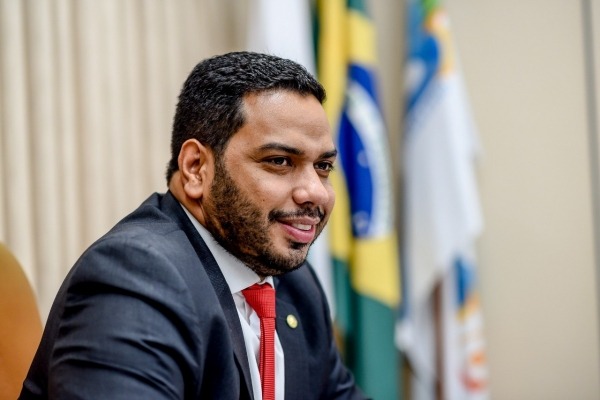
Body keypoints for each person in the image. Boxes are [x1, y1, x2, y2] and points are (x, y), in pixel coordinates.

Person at [20, 51, 369, 399]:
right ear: (196, 168)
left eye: (323, 167)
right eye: (279, 161)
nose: (315, 192)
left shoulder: (294, 283)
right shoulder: (135, 278)